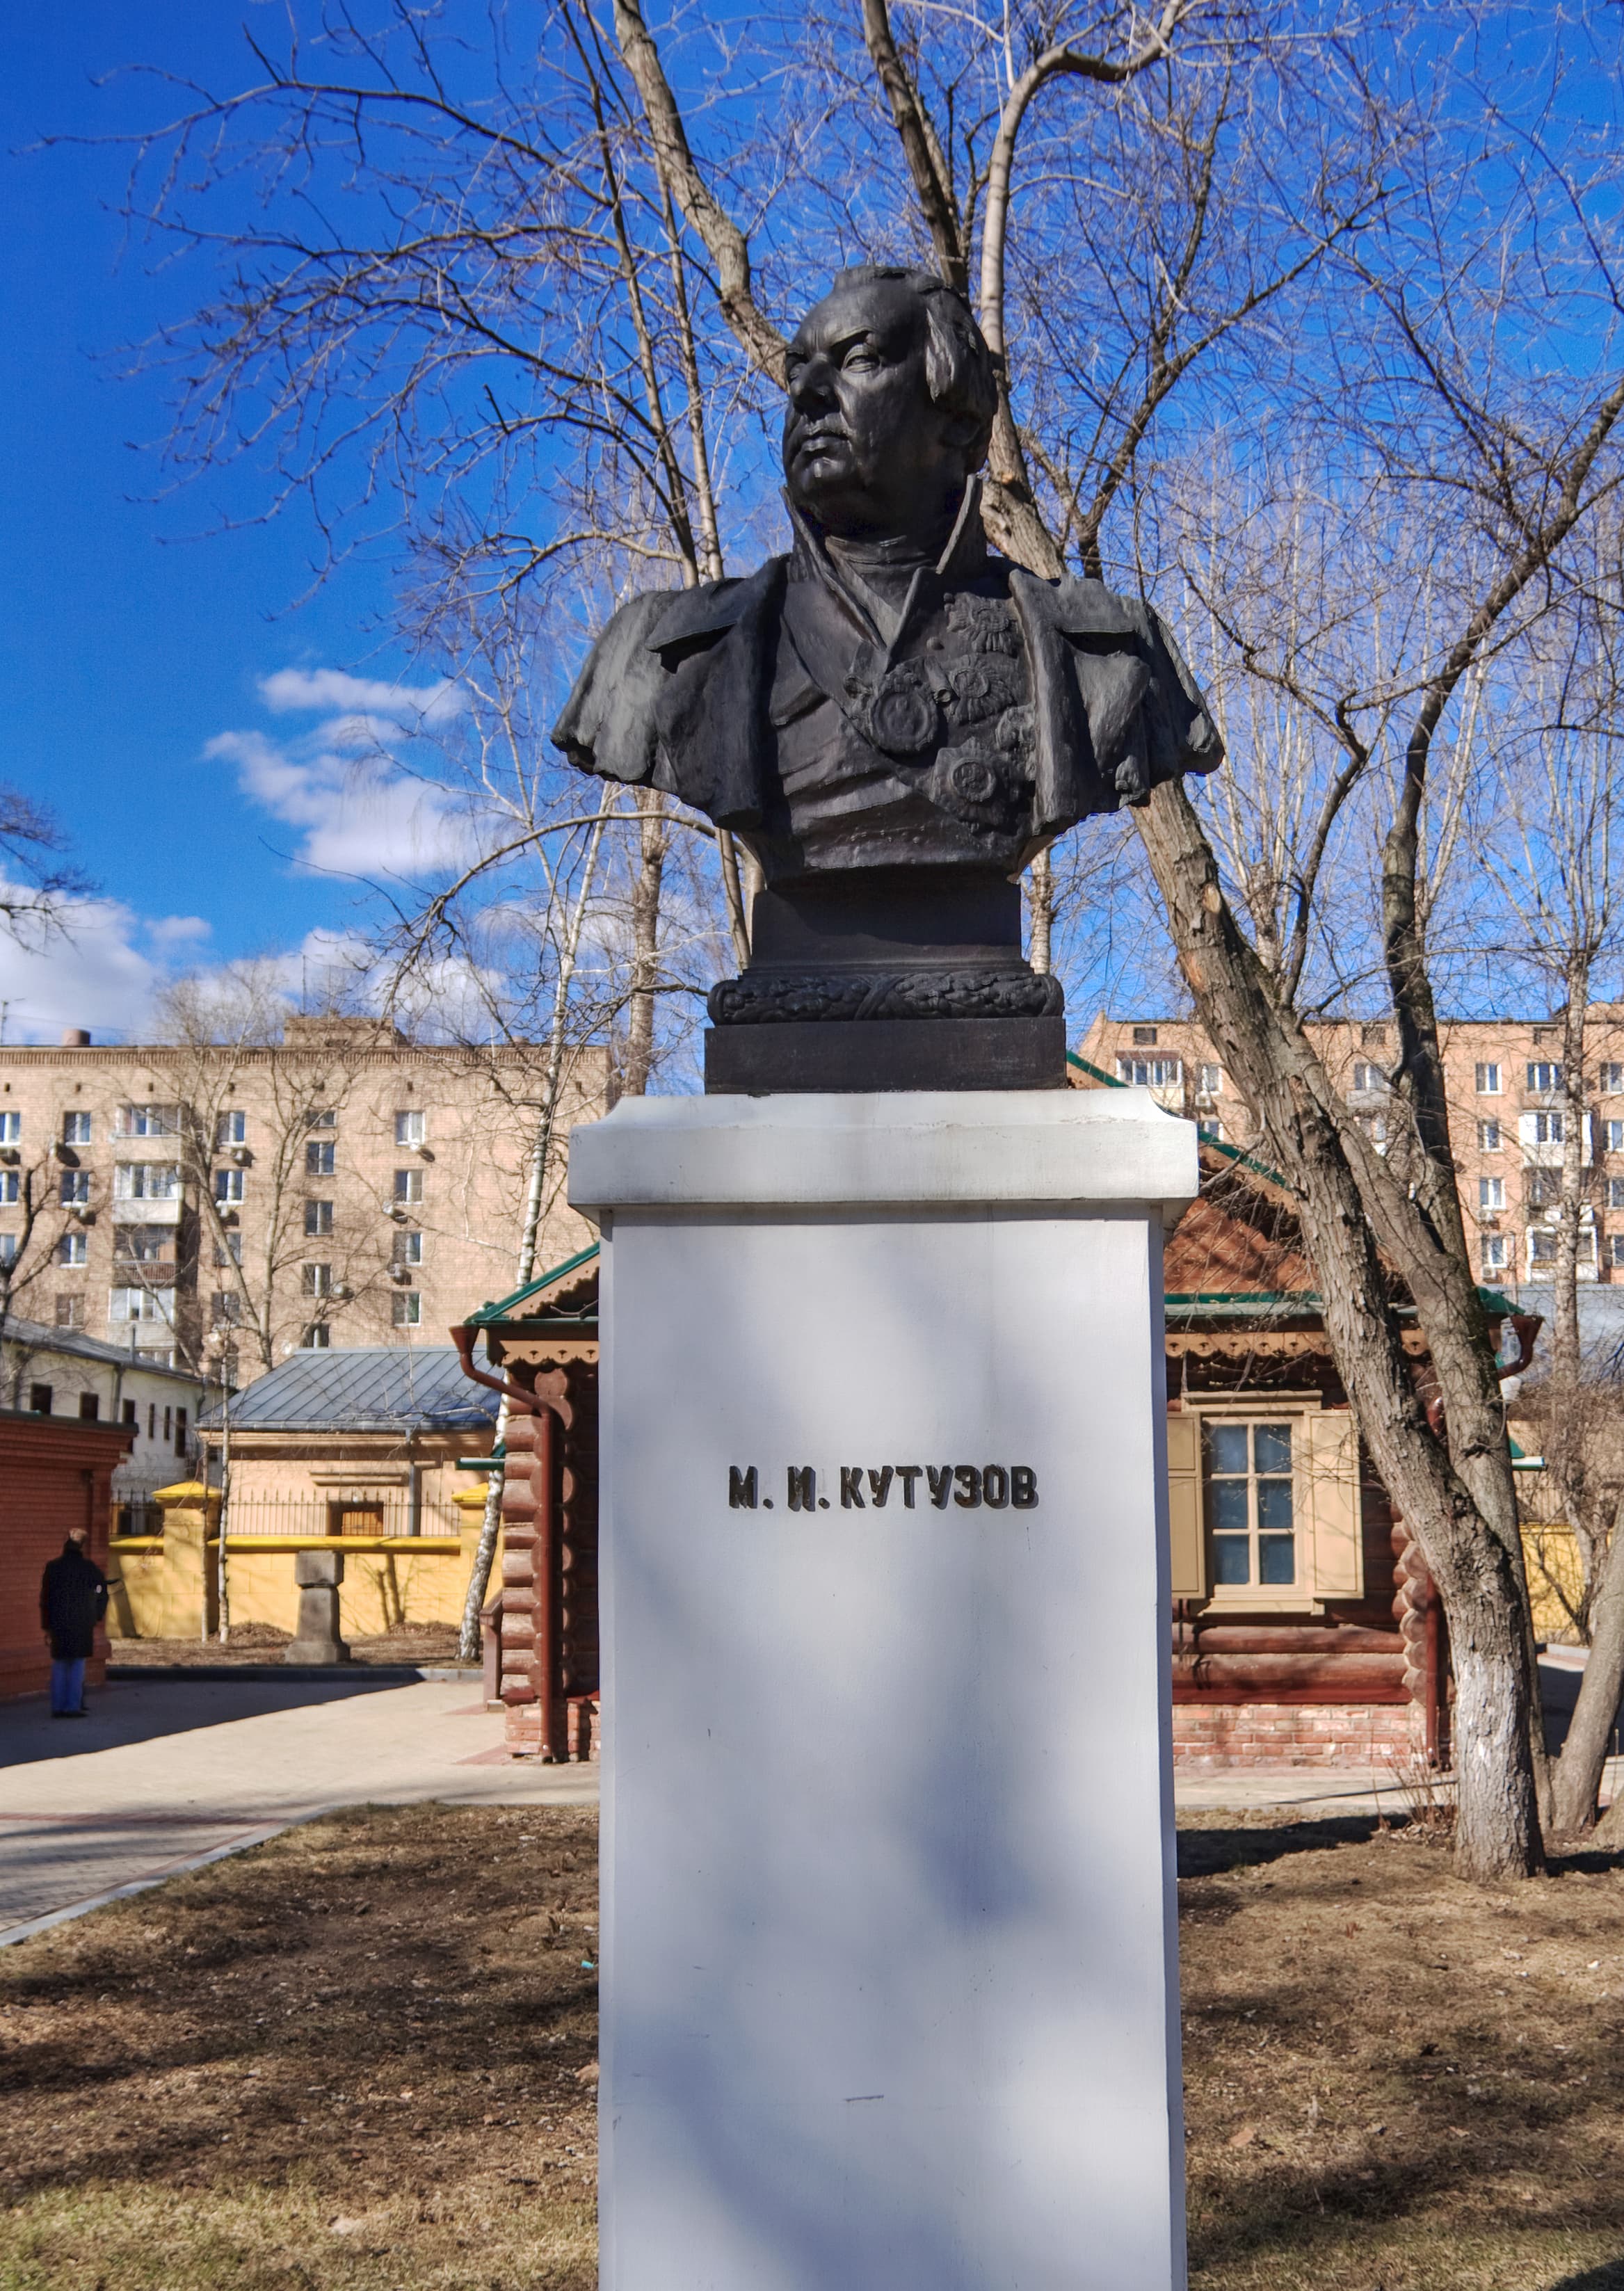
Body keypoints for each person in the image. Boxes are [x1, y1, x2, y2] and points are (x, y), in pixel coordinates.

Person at [40, 1522, 108, 1719]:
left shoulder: (53, 1568)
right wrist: (97, 1614)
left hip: (58, 1622)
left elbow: (45, 1599)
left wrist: (46, 1626)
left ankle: (58, 1706)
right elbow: (103, 1591)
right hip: (82, 1623)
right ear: (82, 1546)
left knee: (60, 1663)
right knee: (77, 1664)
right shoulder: (88, 1569)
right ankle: (72, 1706)